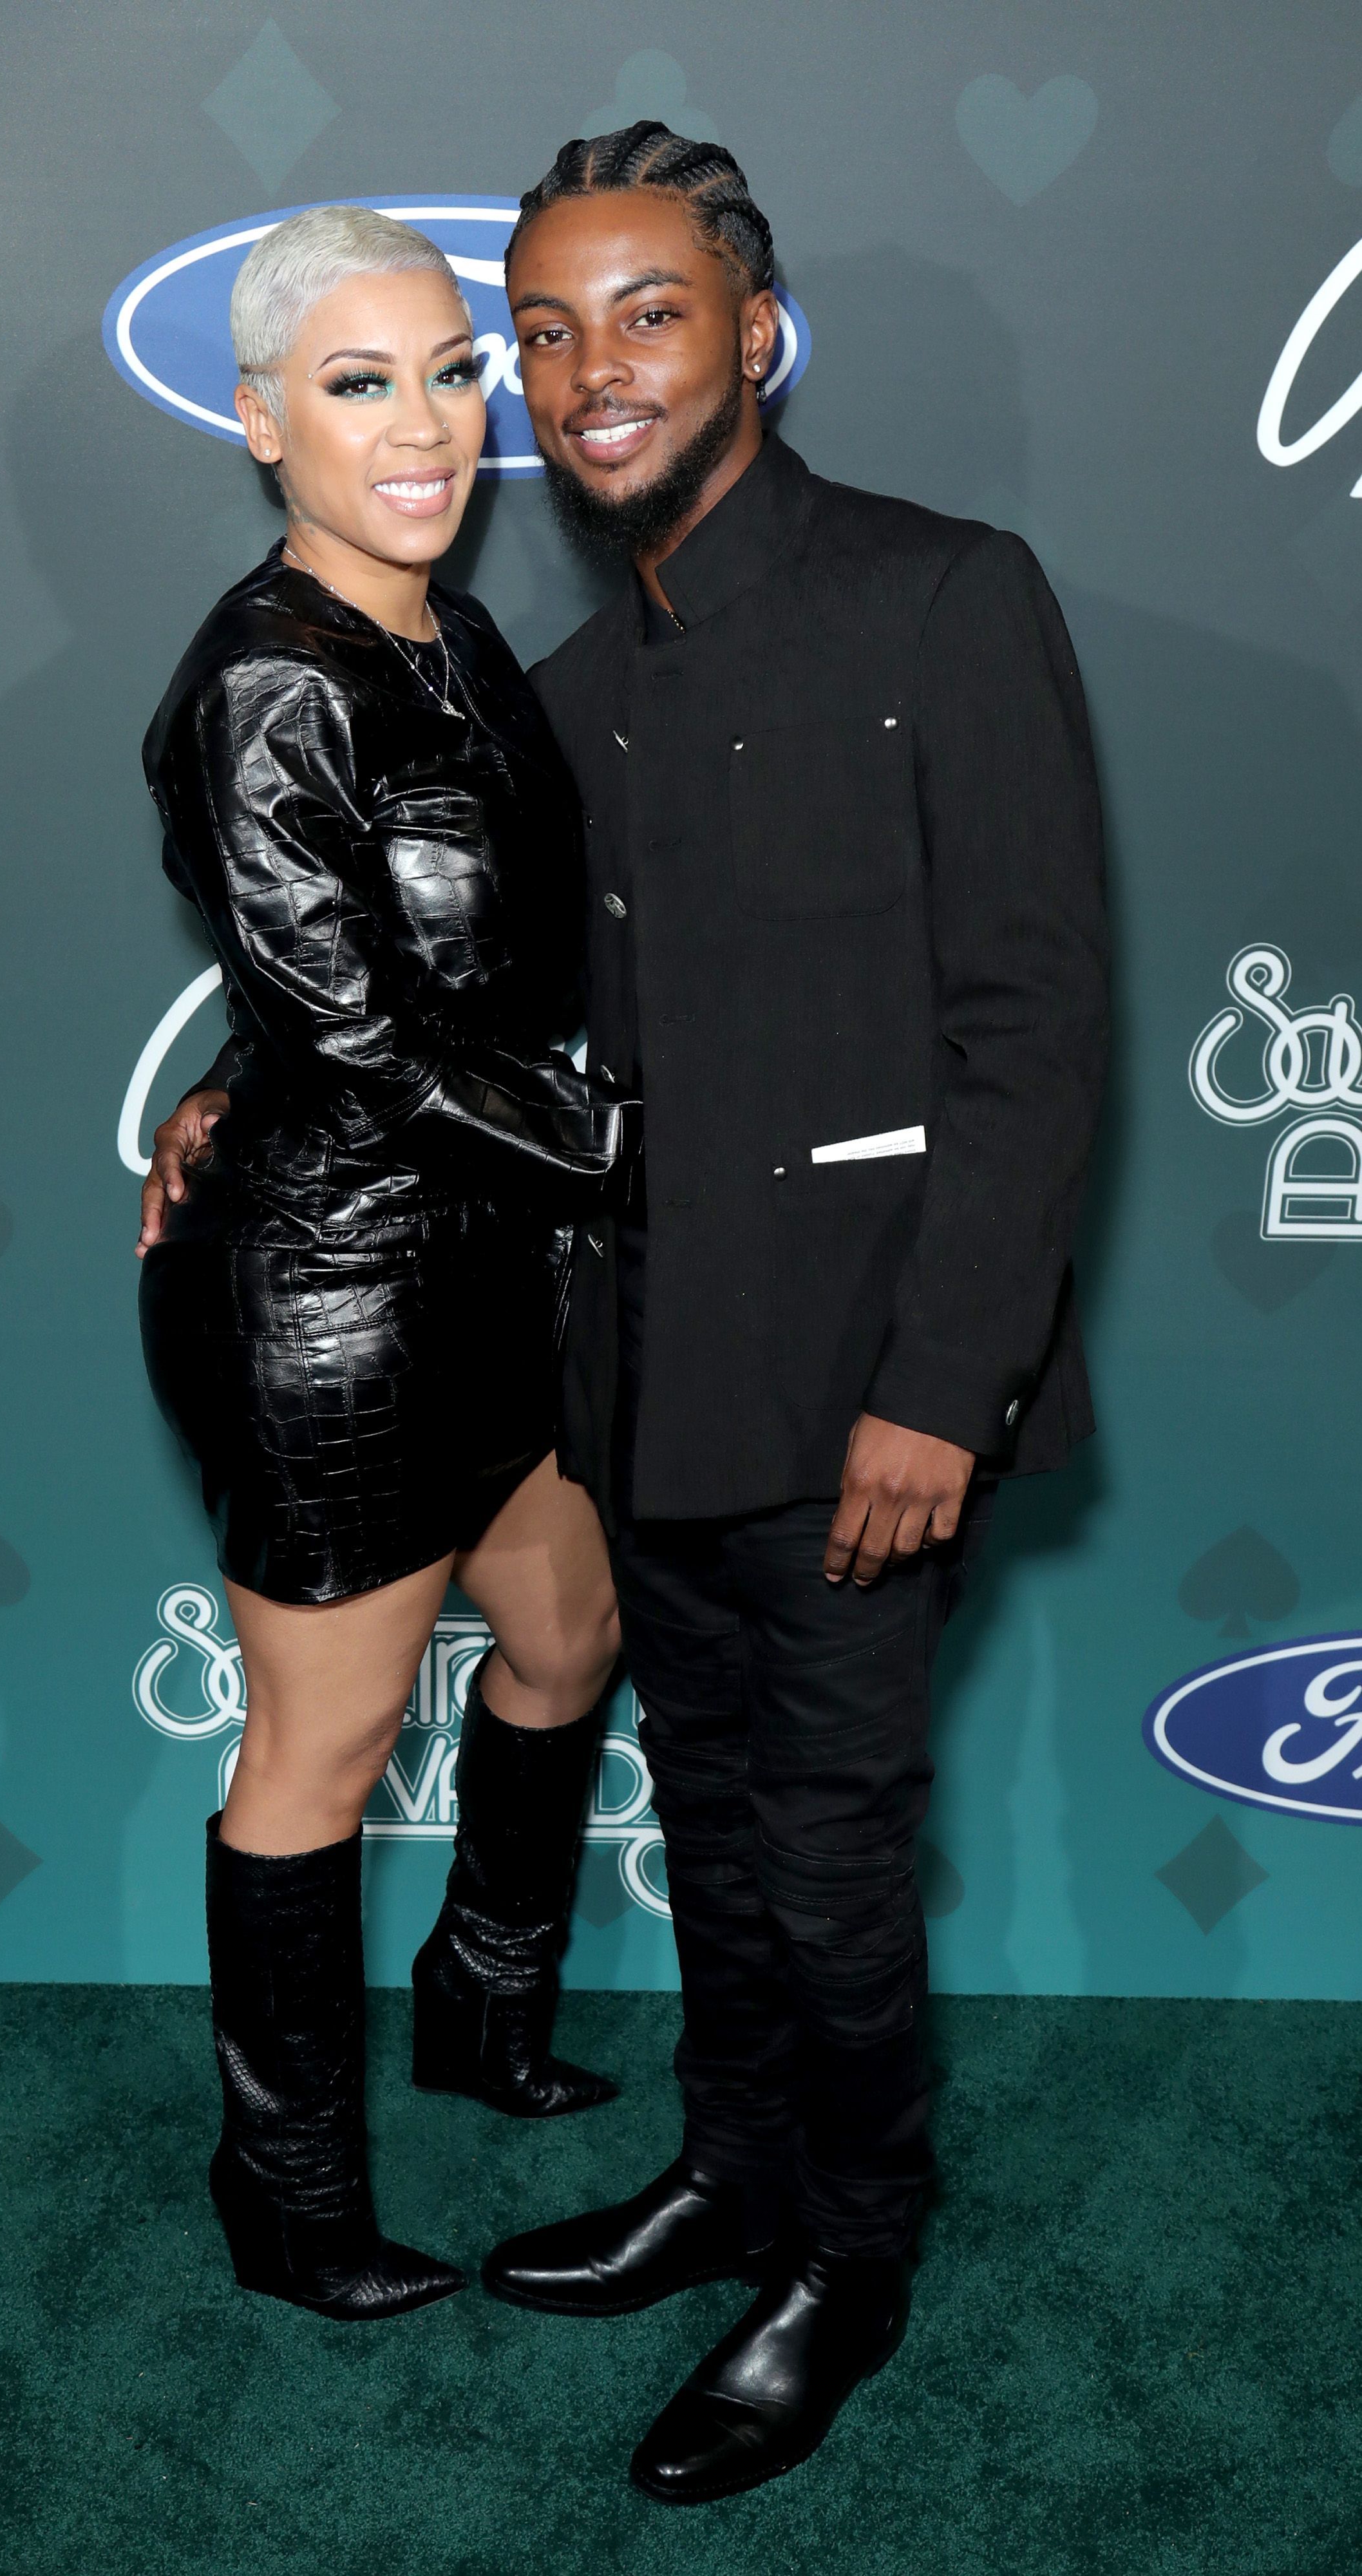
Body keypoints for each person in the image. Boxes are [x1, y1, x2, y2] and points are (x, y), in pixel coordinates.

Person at [477, 126, 1110, 2502]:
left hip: (865, 1391)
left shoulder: (946, 596)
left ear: (754, 330)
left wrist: (943, 1388)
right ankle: (730, 2177)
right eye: (543, 329)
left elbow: (1031, 1028)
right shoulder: (563, 682)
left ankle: (848, 2258)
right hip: (644, 1381)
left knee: (831, 1853)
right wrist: (241, 1098)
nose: (585, 370)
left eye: (641, 313)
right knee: (719, 1822)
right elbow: (465, 995)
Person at [135, 206, 637, 2324]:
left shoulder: (449, 631)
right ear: (262, 421)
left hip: (501, 1265)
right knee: (313, 1761)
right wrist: (642, 1158)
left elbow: (434, 987)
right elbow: (369, 1037)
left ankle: (481, 2009)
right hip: (332, 1305)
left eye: (449, 368)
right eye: (360, 383)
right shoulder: (265, 681)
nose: (427, 421)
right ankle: (290, 2190)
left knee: (568, 1634)